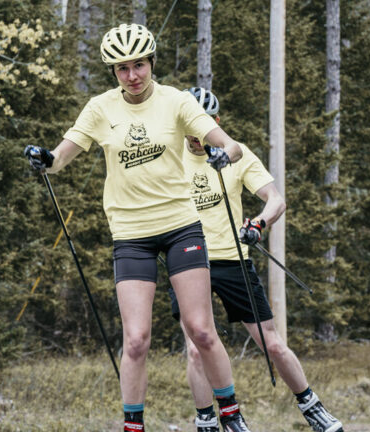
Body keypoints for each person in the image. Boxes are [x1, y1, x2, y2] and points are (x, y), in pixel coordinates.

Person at [24, 24, 253, 432]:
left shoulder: (177, 102)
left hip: (181, 225)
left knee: (201, 330)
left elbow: (230, 144)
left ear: (152, 63)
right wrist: (44, 158)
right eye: (122, 68)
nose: (132, 76)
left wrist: (223, 152)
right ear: (113, 71)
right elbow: (59, 158)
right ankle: (132, 427)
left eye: (139, 65)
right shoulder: (100, 109)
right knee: (136, 340)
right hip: (131, 233)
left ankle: (231, 415)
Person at [173, 87, 343, 432]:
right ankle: (206, 419)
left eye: (200, 129)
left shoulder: (235, 154)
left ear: (215, 123)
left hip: (233, 259)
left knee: (273, 344)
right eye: (188, 131)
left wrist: (258, 223)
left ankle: (312, 408)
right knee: (195, 349)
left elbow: (275, 200)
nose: (194, 139)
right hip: (189, 261)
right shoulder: (171, 156)